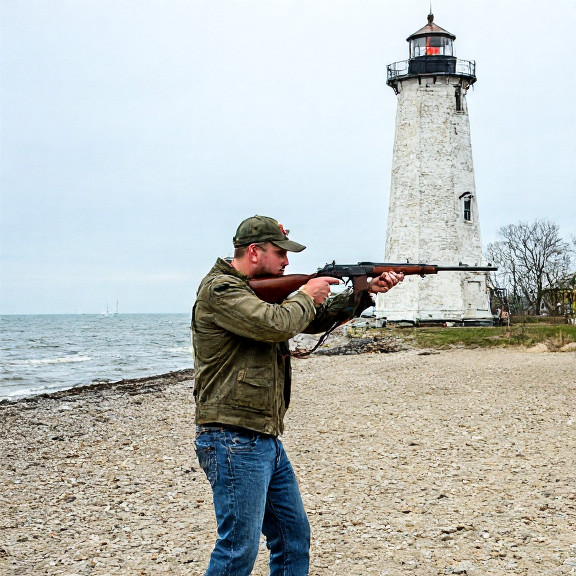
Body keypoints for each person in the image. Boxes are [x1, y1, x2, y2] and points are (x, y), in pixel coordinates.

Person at [191, 215, 403, 576]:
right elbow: (274, 324)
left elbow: (310, 320)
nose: (287, 262)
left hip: (261, 435)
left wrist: (364, 292)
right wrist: (306, 294)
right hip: (232, 436)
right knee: (237, 550)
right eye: (280, 253)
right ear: (255, 252)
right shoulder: (221, 291)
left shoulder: (255, 289)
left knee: (293, 539)